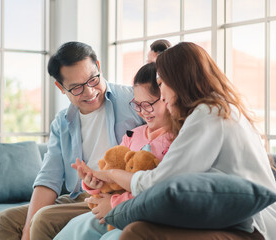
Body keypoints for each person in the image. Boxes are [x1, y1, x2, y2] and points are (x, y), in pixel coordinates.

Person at [71, 42, 276, 240]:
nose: (162, 95)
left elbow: (158, 183)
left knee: (138, 232)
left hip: (253, 227)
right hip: (238, 220)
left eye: (161, 85)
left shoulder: (209, 114)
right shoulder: (219, 110)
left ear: (178, 80)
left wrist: (111, 176)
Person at [0, 41, 144, 240]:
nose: (90, 92)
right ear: (61, 87)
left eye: (92, 79)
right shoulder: (62, 123)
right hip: (79, 198)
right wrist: (27, 231)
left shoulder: (134, 101)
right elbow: (49, 179)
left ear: (98, 66)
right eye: (77, 88)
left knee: (44, 219)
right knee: (5, 221)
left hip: (114, 195)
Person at [53, 62, 175, 240]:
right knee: (73, 230)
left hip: (138, 212)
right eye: (137, 105)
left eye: (149, 104)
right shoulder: (133, 135)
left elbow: (156, 190)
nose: (143, 112)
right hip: (113, 207)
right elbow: (111, 175)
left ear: (167, 98)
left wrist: (113, 203)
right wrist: (94, 183)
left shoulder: (176, 141)